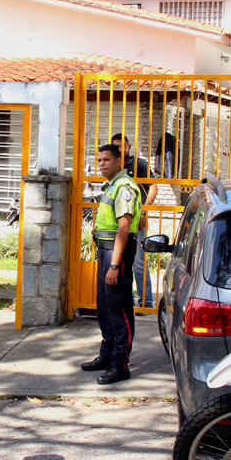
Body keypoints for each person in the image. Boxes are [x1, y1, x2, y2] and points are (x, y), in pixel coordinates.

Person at [81, 143, 142, 385]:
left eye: (106, 159)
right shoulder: (112, 185)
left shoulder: (125, 187)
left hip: (118, 256)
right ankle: (107, 356)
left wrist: (115, 265)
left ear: (119, 160)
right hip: (106, 254)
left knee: (119, 311)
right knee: (104, 308)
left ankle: (120, 365)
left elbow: (124, 228)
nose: (101, 163)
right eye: (99, 160)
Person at [110, 133, 158, 308]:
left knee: (138, 263)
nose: (120, 149)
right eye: (116, 146)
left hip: (136, 221)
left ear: (129, 147)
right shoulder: (112, 165)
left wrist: (144, 211)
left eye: (122, 145)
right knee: (120, 261)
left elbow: (153, 187)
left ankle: (146, 302)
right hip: (117, 222)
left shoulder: (139, 164)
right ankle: (126, 300)